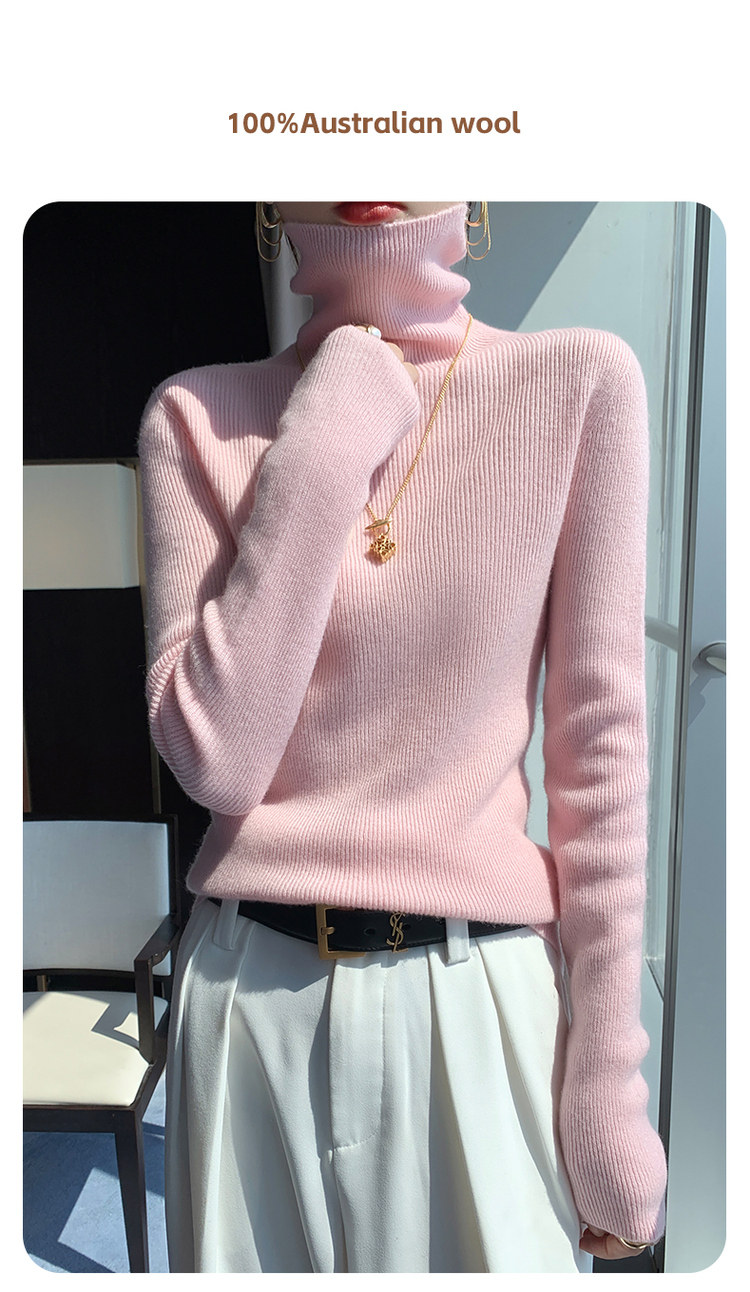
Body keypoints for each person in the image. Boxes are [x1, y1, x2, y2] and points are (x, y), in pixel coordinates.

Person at [137, 200, 669, 1273]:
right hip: (249, 1005)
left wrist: (607, 1082)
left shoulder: (577, 385)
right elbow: (217, 760)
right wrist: (323, 447)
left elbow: (600, 752)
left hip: (473, 1003)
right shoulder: (196, 416)